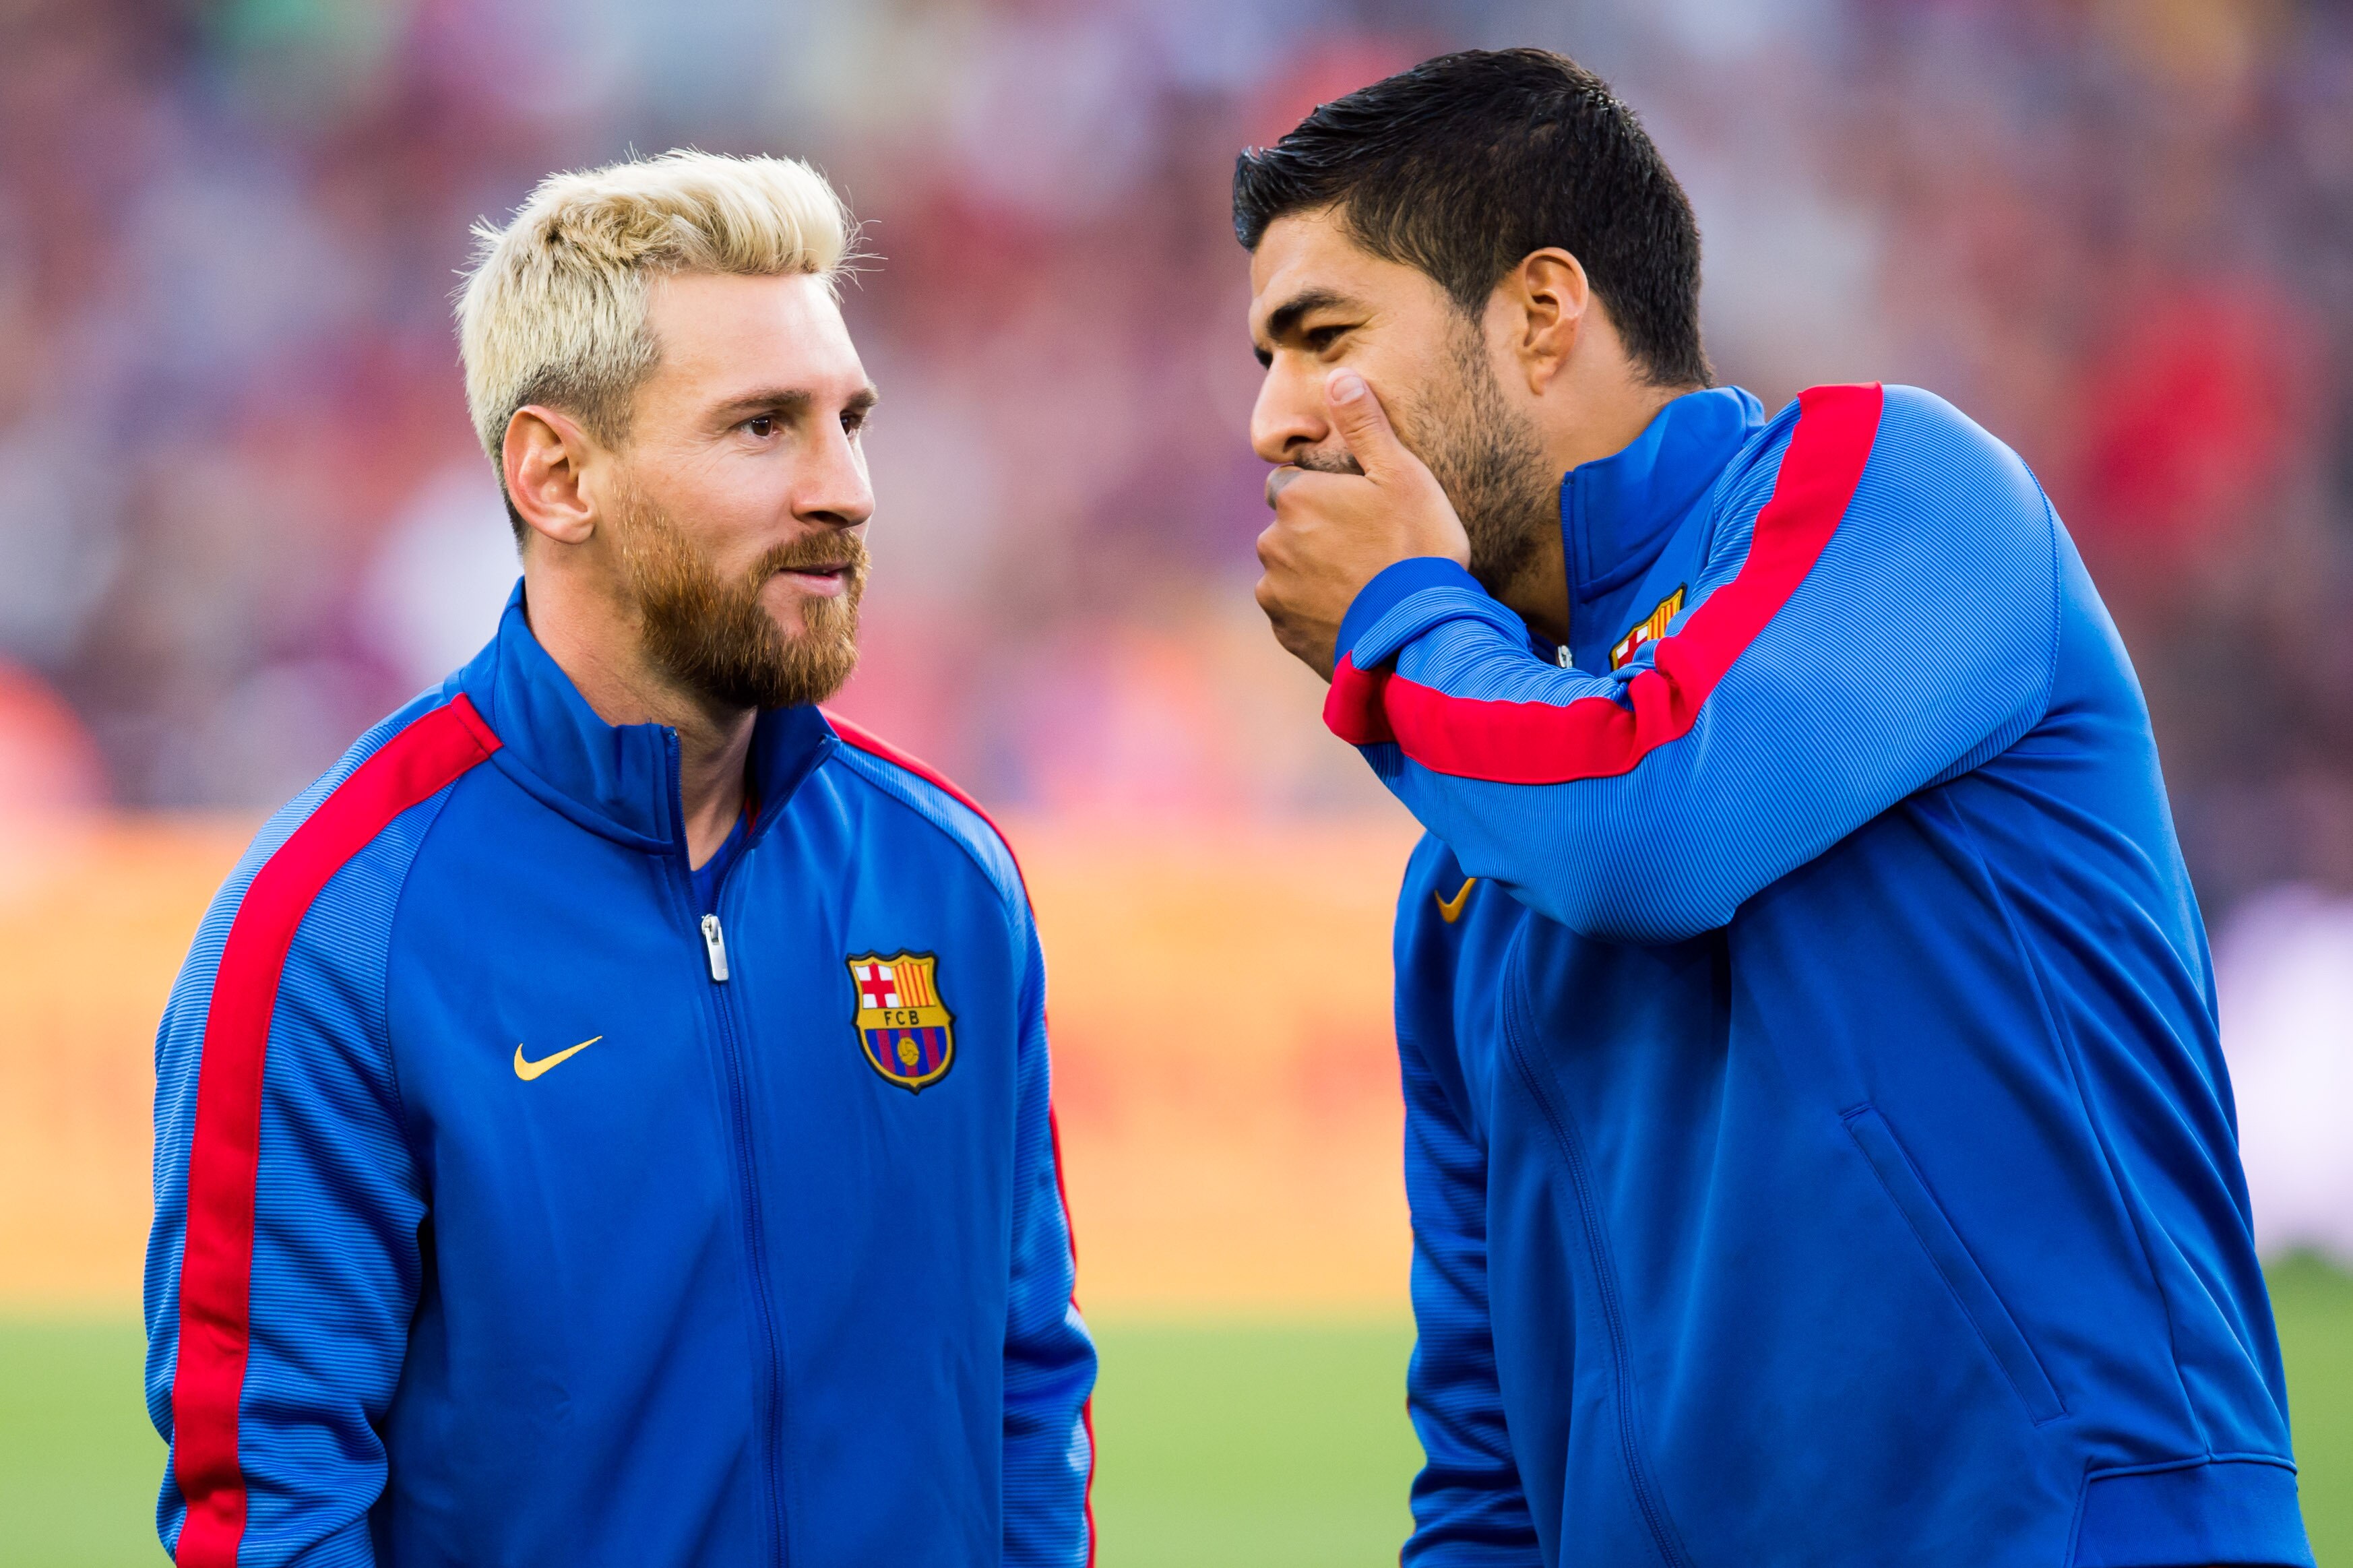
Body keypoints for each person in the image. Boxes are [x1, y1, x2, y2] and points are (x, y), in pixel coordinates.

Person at [1242, 49, 2311, 1568]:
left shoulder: (1899, 486)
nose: (1274, 421)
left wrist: (1401, 621)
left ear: (1542, 313)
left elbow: (1641, 826)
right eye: (1264, 360)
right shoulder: (1468, 863)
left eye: (1323, 337)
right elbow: (1487, 1472)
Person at [144, 150, 1095, 1568]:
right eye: (763, 427)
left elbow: (1026, 1395)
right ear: (557, 474)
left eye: (850, 421)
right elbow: (272, 1508)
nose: (846, 490)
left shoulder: (948, 881)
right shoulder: (335, 932)